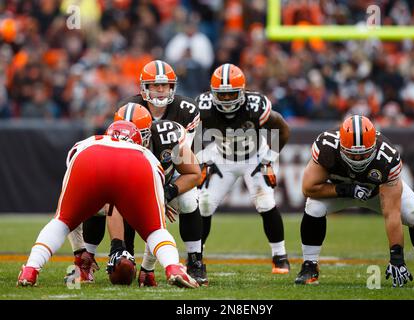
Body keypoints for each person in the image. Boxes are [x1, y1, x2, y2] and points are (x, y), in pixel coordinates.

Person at [69, 60, 206, 286]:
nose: (160, 90)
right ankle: (91, 258)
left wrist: (166, 192)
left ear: (173, 87)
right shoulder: (127, 109)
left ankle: (194, 260)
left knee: (190, 200)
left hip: (169, 172)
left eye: (164, 85)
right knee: (96, 203)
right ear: (144, 88)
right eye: (154, 85)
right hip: (129, 173)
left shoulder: (183, 115)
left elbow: (187, 164)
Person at [17, 121, 198, 289]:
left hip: (89, 157)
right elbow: (155, 221)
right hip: (138, 164)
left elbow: (74, 205)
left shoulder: (88, 141)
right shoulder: (147, 154)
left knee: (62, 220)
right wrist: (148, 270)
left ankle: (31, 270)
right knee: (155, 230)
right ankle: (173, 268)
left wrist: (80, 249)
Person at [296, 115, 414, 287]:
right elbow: (308, 188)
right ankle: (309, 266)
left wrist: (396, 257)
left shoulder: (387, 158)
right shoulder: (327, 147)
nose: (358, 159)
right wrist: (348, 190)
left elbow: (392, 213)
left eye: (363, 154)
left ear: (374, 146)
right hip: (341, 191)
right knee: (313, 207)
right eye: (352, 154)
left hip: (377, 192)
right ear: (341, 147)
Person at [195, 63, 291, 274]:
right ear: (212, 93)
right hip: (221, 157)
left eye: (231, 94)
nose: (227, 99)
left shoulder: (255, 106)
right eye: (222, 95)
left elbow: (282, 129)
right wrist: (201, 159)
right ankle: (196, 258)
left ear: (242, 91)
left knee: (266, 202)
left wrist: (268, 159)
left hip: (254, 158)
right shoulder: (203, 107)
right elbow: (191, 135)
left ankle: (280, 256)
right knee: (204, 205)